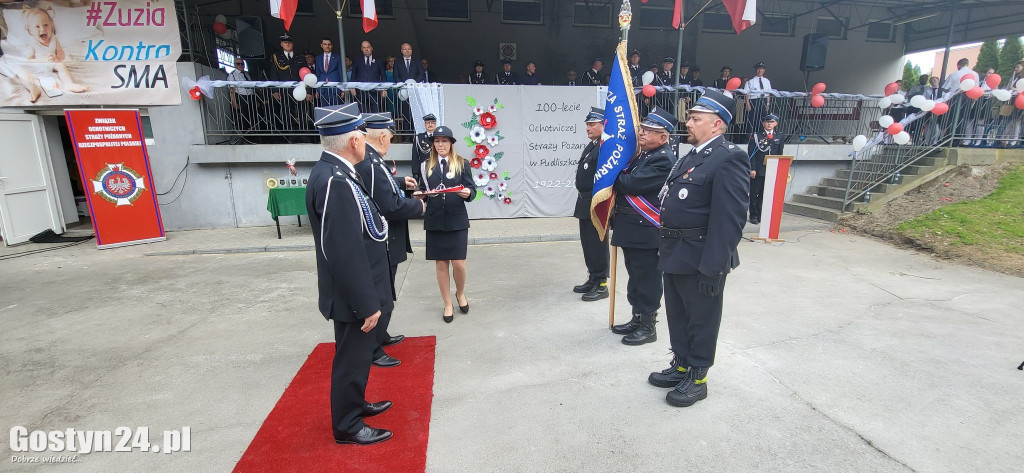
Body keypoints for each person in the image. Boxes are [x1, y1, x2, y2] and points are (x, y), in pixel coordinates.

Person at [651, 89, 749, 408]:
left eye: (696, 119)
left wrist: (714, 266)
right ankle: (681, 364)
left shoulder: (729, 156)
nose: (688, 123)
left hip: (701, 256)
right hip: (676, 251)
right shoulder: (690, 156)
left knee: (702, 318)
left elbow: (730, 218)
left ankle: (698, 377)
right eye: (690, 117)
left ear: (717, 124)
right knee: (677, 314)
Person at [305, 102, 394, 445]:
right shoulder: (335, 181)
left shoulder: (335, 172)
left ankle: (355, 405)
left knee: (355, 359)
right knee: (350, 361)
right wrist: (366, 303)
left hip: (353, 292)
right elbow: (342, 252)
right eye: (361, 135)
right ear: (355, 141)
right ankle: (347, 425)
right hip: (352, 295)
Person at [354, 112, 426, 368]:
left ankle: (380, 334)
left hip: (386, 238)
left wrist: (399, 182)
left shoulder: (372, 159)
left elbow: (379, 187)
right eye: (391, 138)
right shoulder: (371, 162)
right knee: (382, 295)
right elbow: (390, 206)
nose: (390, 143)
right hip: (383, 239)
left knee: (387, 291)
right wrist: (419, 207)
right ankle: (373, 349)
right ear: (383, 135)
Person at [609, 106, 676, 346]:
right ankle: (636, 319)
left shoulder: (664, 159)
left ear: (663, 136)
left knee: (646, 278)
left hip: (645, 230)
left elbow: (629, 183)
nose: (643, 133)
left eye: (650, 131)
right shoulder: (645, 155)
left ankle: (648, 327)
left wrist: (612, 176)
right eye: (643, 129)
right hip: (631, 228)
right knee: (635, 277)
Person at [419, 126, 478, 323]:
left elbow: (471, 188)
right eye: (437, 141)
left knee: (459, 263)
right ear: (433, 144)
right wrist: (420, 196)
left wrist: (468, 193)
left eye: (444, 141)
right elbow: (421, 191)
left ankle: (460, 294)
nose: (441, 144)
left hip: (457, 219)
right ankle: (447, 303)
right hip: (435, 220)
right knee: (441, 264)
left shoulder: (462, 163)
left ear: (451, 143)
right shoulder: (426, 165)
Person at [572, 107, 610, 302]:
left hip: (597, 202)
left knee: (598, 243)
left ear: (604, 124)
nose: (588, 127)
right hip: (584, 200)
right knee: (588, 242)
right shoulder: (593, 145)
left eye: (592, 124)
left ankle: (602, 283)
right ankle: (593, 276)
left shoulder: (605, 146)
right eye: (587, 124)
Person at [747, 114, 783, 224]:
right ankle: (753, 215)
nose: (769, 124)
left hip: (771, 169)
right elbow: (751, 153)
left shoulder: (779, 136)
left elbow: (780, 153)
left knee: (765, 194)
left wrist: (779, 169)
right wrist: (752, 168)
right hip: (758, 169)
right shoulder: (756, 136)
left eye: (771, 122)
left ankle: (761, 214)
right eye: (767, 122)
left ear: (776, 124)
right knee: (754, 193)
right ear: (763, 123)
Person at [269, 35, 306, 136]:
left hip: (299, 90)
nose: (288, 44)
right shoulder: (276, 57)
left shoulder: (300, 58)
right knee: (286, 113)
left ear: (293, 44)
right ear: (281, 44)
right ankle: (289, 135)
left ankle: (304, 134)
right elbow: (274, 74)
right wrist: (275, 91)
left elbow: (306, 75)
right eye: (285, 42)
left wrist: (309, 91)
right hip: (284, 91)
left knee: (301, 112)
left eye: (289, 42)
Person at [351, 41, 387, 113]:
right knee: (362, 113)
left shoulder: (379, 61)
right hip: (361, 92)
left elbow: (383, 75)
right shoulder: (357, 60)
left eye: (368, 47)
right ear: (361, 49)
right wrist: (352, 87)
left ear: (371, 48)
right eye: (364, 48)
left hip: (374, 92)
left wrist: (384, 89)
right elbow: (353, 75)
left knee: (376, 112)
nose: (366, 49)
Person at [743, 62, 772, 143]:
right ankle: (749, 138)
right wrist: (748, 104)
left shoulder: (766, 81)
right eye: (758, 69)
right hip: (754, 101)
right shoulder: (750, 81)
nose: (760, 70)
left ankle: (761, 137)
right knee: (752, 120)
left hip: (763, 100)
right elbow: (746, 93)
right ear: (756, 70)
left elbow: (768, 93)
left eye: (762, 69)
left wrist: (768, 103)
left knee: (763, 119)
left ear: (764, 71)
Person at [228, 59, 257, 139]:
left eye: (242, 64)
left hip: (250, 97)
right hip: (241, 97)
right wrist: (233, 101)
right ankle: (246, 136)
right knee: (244, 118)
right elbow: (231, 90)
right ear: (235, 65)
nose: (240, 65)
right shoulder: (232, 75)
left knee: (252, 116)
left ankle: (254, 135)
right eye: (238, 64)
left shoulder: (247, 74)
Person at [315, 37, 343, 107]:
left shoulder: (338, 57)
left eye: (329, 44)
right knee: (325, 111)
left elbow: (341, 73)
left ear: (332, 46)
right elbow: (318, 74)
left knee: (336, 110)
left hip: (335, 89)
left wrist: (343, 89)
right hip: (322, 89)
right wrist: (317, 89)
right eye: (325, 44)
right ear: (321, 45)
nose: (327, 46)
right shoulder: (318, 58)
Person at [411, 113, 437, 185]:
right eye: (428, 123)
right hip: (424, 171)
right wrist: (415, 173)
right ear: (425, 125)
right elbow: (415, 156)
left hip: (438, 170)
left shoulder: (440, 137)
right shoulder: (419, 138)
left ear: (435, 124)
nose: (430, 125)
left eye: (432, 122)